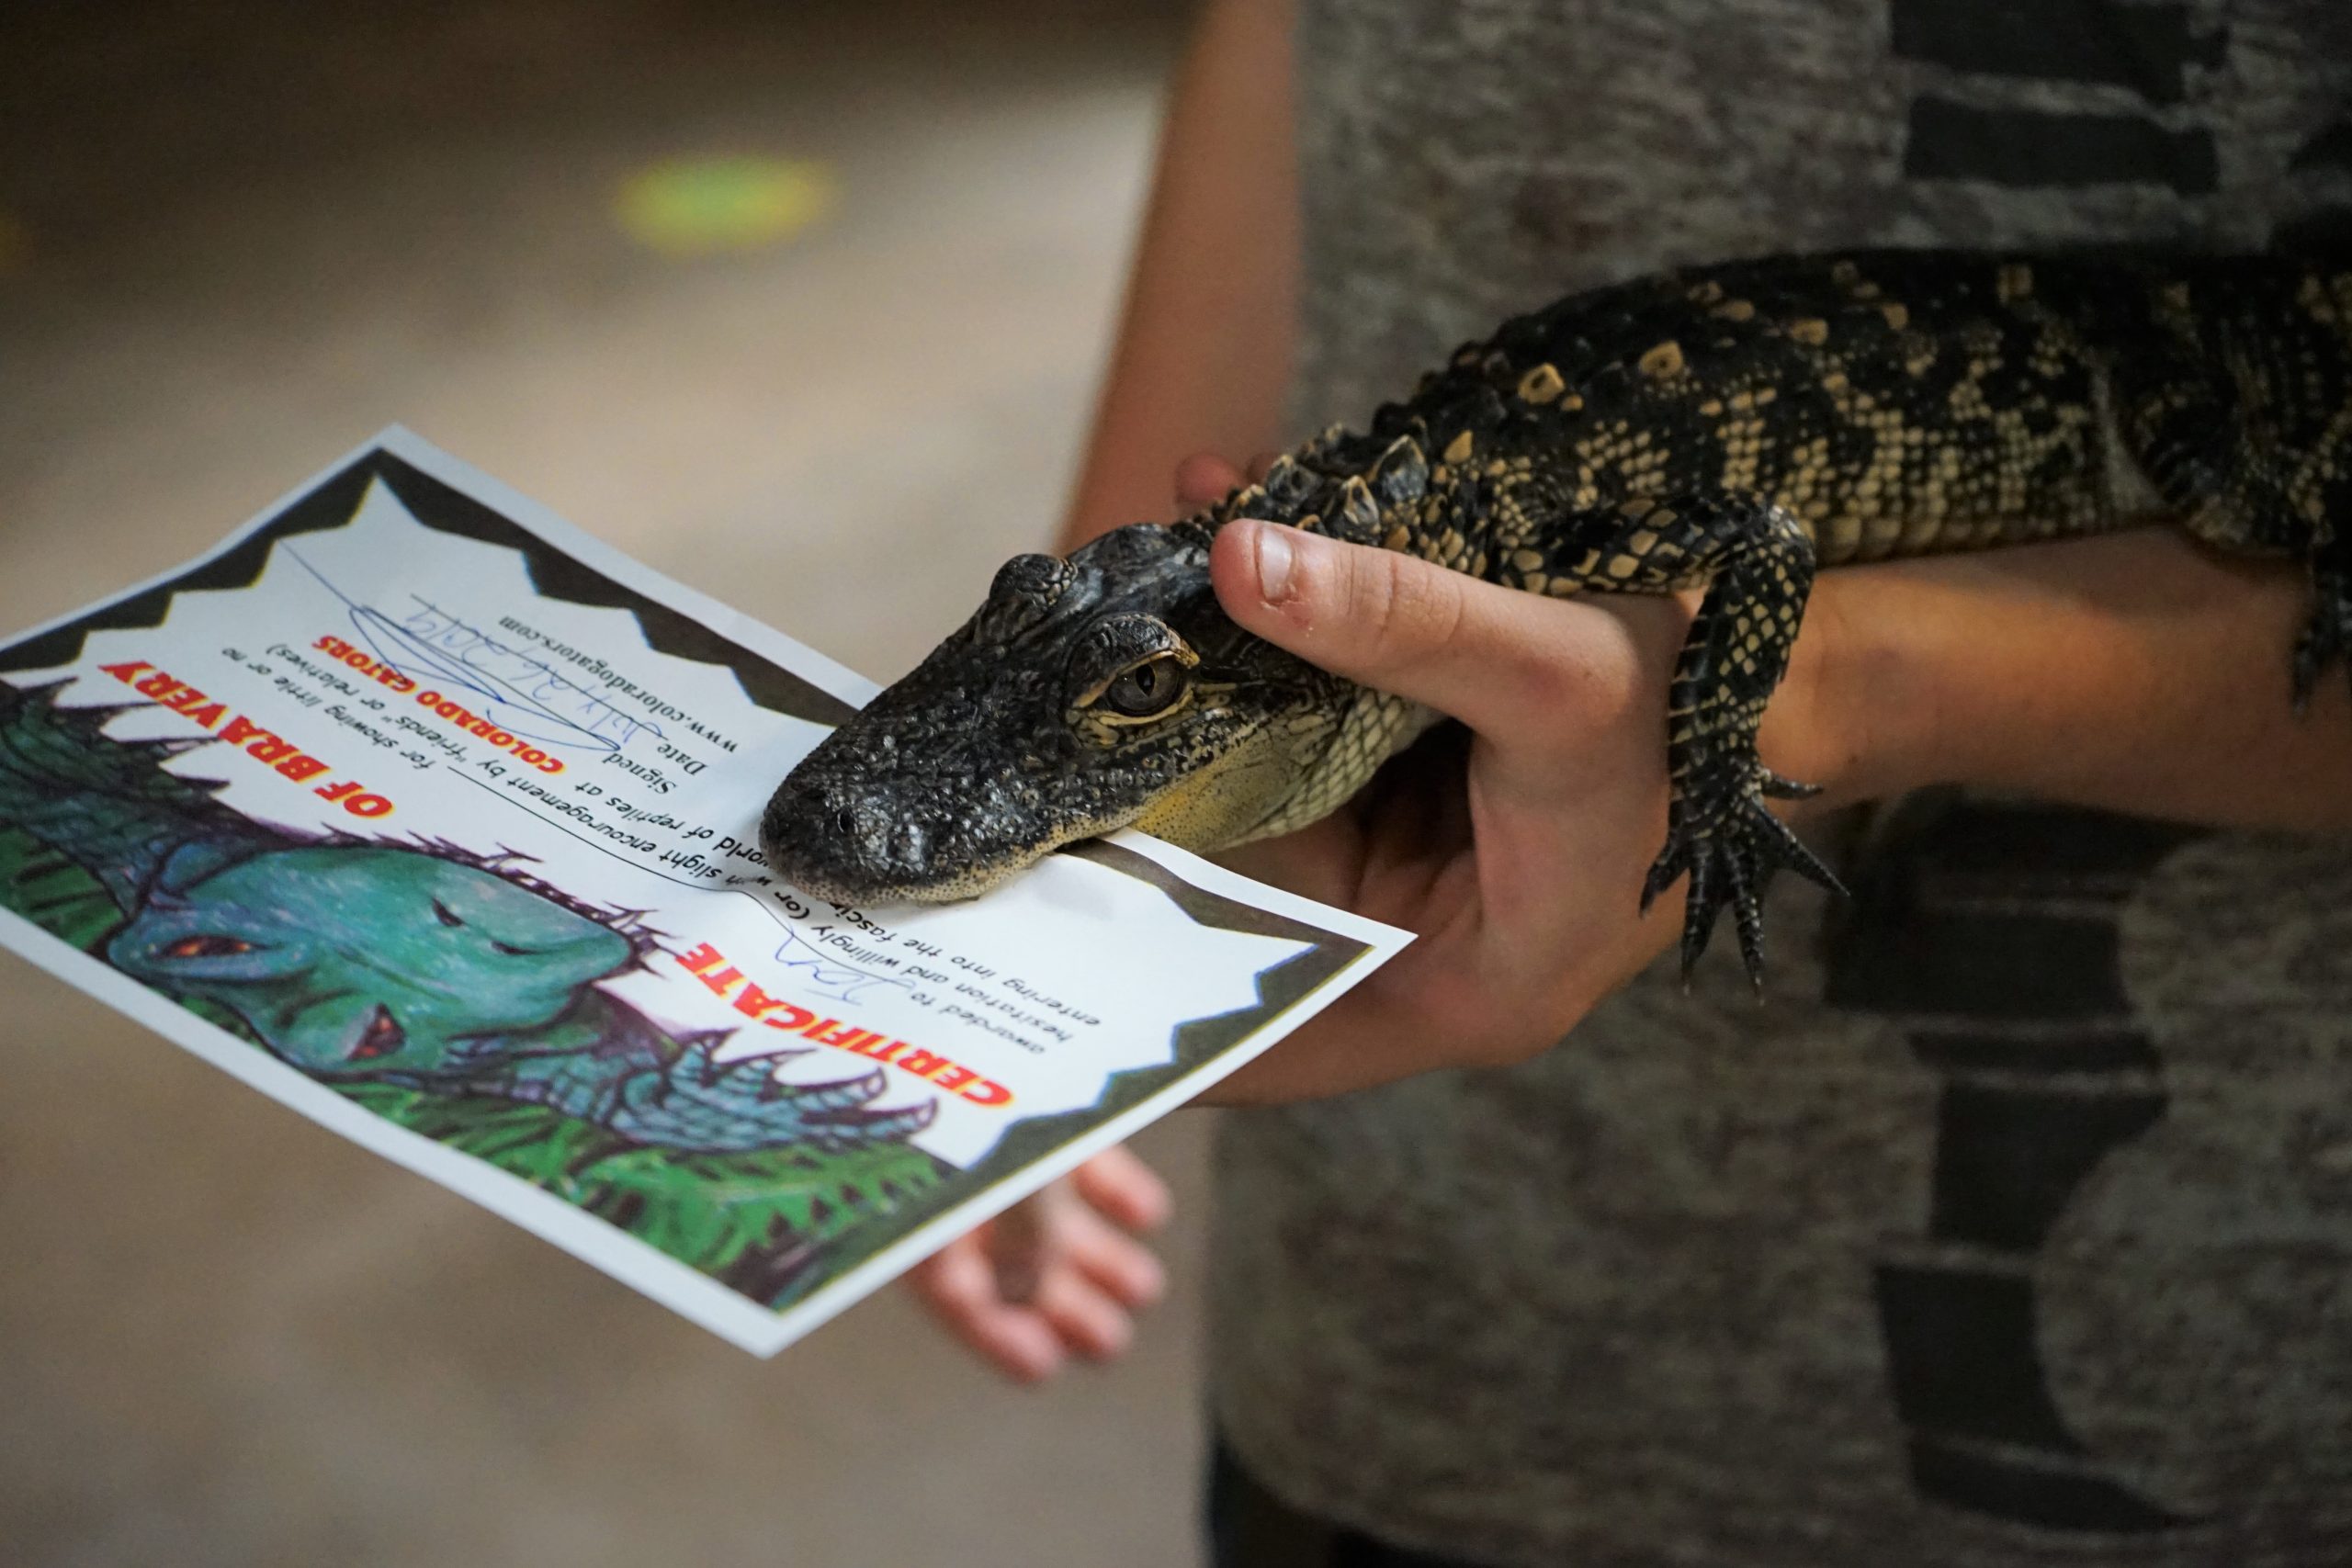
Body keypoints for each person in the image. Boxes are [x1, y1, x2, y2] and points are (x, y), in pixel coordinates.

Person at [915, 1, 2352, 1562]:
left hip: (2188, 1383)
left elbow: (1760, 546)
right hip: (1396, 1343)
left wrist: (1765, 726)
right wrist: (1067, 940)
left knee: (2238, 481)